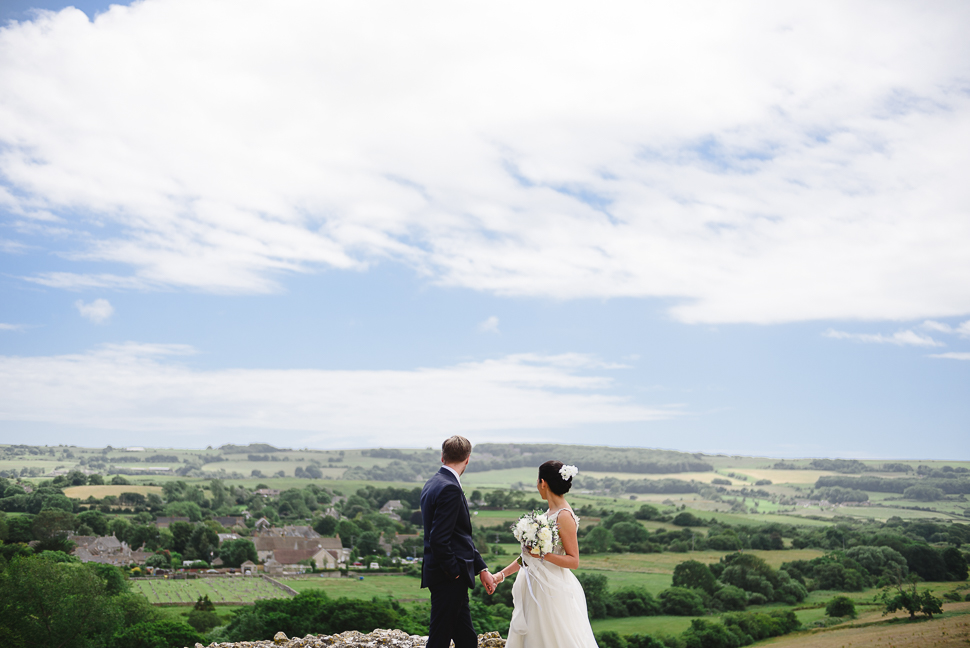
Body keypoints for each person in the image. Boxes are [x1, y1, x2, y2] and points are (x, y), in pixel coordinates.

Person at [487, 460, 598, 648]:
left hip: (552, 590)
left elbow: (574, 560)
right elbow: (528, 556)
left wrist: (543, 556)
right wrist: (500, 575)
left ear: (543, 483)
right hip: (534, 586)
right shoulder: (548, 514)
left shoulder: (564, 515)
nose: (537, 485)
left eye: (537, 481)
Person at [420, 435, 496, 648]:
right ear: (468, 459)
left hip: (443, 574)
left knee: (467, 639)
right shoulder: (450, 488)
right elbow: (438, 539)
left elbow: (459, 535)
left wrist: (481, 568)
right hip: (449, 576)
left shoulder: (432, 483)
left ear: (442, 456)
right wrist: (455, 572)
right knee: (439, 639)